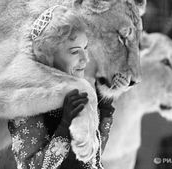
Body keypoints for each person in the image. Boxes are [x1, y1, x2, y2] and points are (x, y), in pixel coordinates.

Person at [8, 5, 114, 169]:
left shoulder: (81, 90)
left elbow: (92, 157)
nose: (85, 59)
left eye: (85, 48)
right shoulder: (27, 99)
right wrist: (64, 127)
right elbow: (31, 166)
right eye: (74, 51)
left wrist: (104, 109)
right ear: (48, 55)